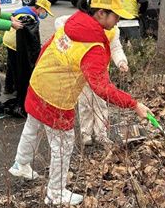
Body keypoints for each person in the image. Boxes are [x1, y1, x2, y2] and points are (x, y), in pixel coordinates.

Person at [8, 0, 150, 206]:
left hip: (40, 81)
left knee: (33, 124)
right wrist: (133, 104)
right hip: (57, 94)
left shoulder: (75, 21)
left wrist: (40, 70)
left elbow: (49, 45)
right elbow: (102, 87)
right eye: (116, 16)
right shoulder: (93, 45)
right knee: (63, 144)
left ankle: (21, 164)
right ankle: (55, 193)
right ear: (101, 13)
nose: (118, 20)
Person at [54, 15, 129, 146]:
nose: (116, 22)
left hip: (101, 74)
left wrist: (121, 61)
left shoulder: (113, 30)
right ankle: (86, 133)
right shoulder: (86, 23)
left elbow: (115, 48)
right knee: (85, 103)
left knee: (101, 104)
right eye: (114, 17)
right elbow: (59, 21)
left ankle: (101, 134)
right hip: (83, 72)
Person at [2, 0, 54, 117]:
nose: (44, 14)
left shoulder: (25, 10)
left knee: (11, 64)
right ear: (40, 8)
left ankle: (8, 88)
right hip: (15, 43)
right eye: (45, 11)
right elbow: (29, 37)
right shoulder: (28, 16)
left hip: (8, 40)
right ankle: (17, 91)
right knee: (17, 67)